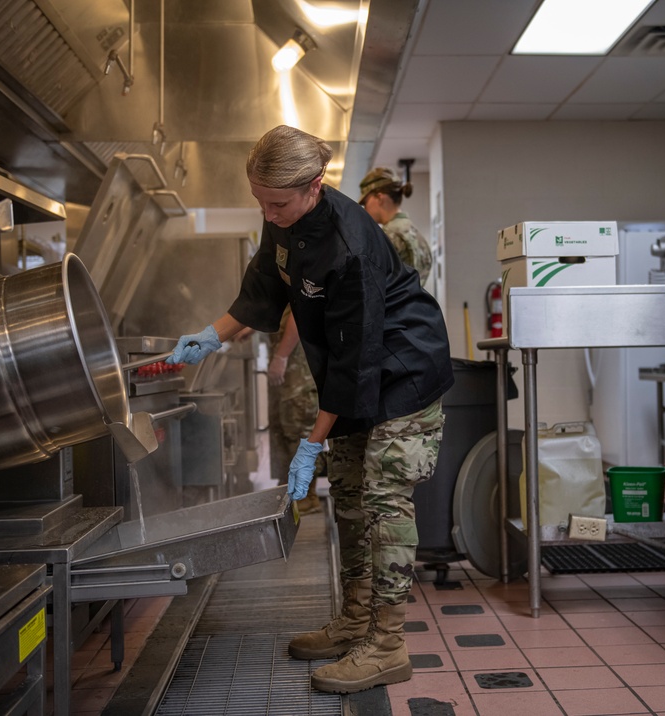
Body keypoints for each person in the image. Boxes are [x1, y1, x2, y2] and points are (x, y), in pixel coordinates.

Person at [167, 125, 454, 694]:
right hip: (355, 371)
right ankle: (354, 621)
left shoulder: (352, 245)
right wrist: (213, 333)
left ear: (315, 186)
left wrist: (311, 440)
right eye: (259, 201)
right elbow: (264, 286)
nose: (267, 213)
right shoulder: (283, 218)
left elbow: (356, 361)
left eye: (277, 202)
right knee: (345, 496)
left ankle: (388, 645)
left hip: (402, 371)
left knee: (380, 497)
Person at [267, 306, 323, 515]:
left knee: (298, 427)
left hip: (298, 372)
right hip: (290, 374)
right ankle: (294, 492)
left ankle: (307, 496)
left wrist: (281, 356)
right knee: (285, 428)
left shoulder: (297, 276)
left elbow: (300, 317)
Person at [357, 167, 433, 287]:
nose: (365, 208)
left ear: (380, 197)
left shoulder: (387, 236)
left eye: (365, 202)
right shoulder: (417, 235)